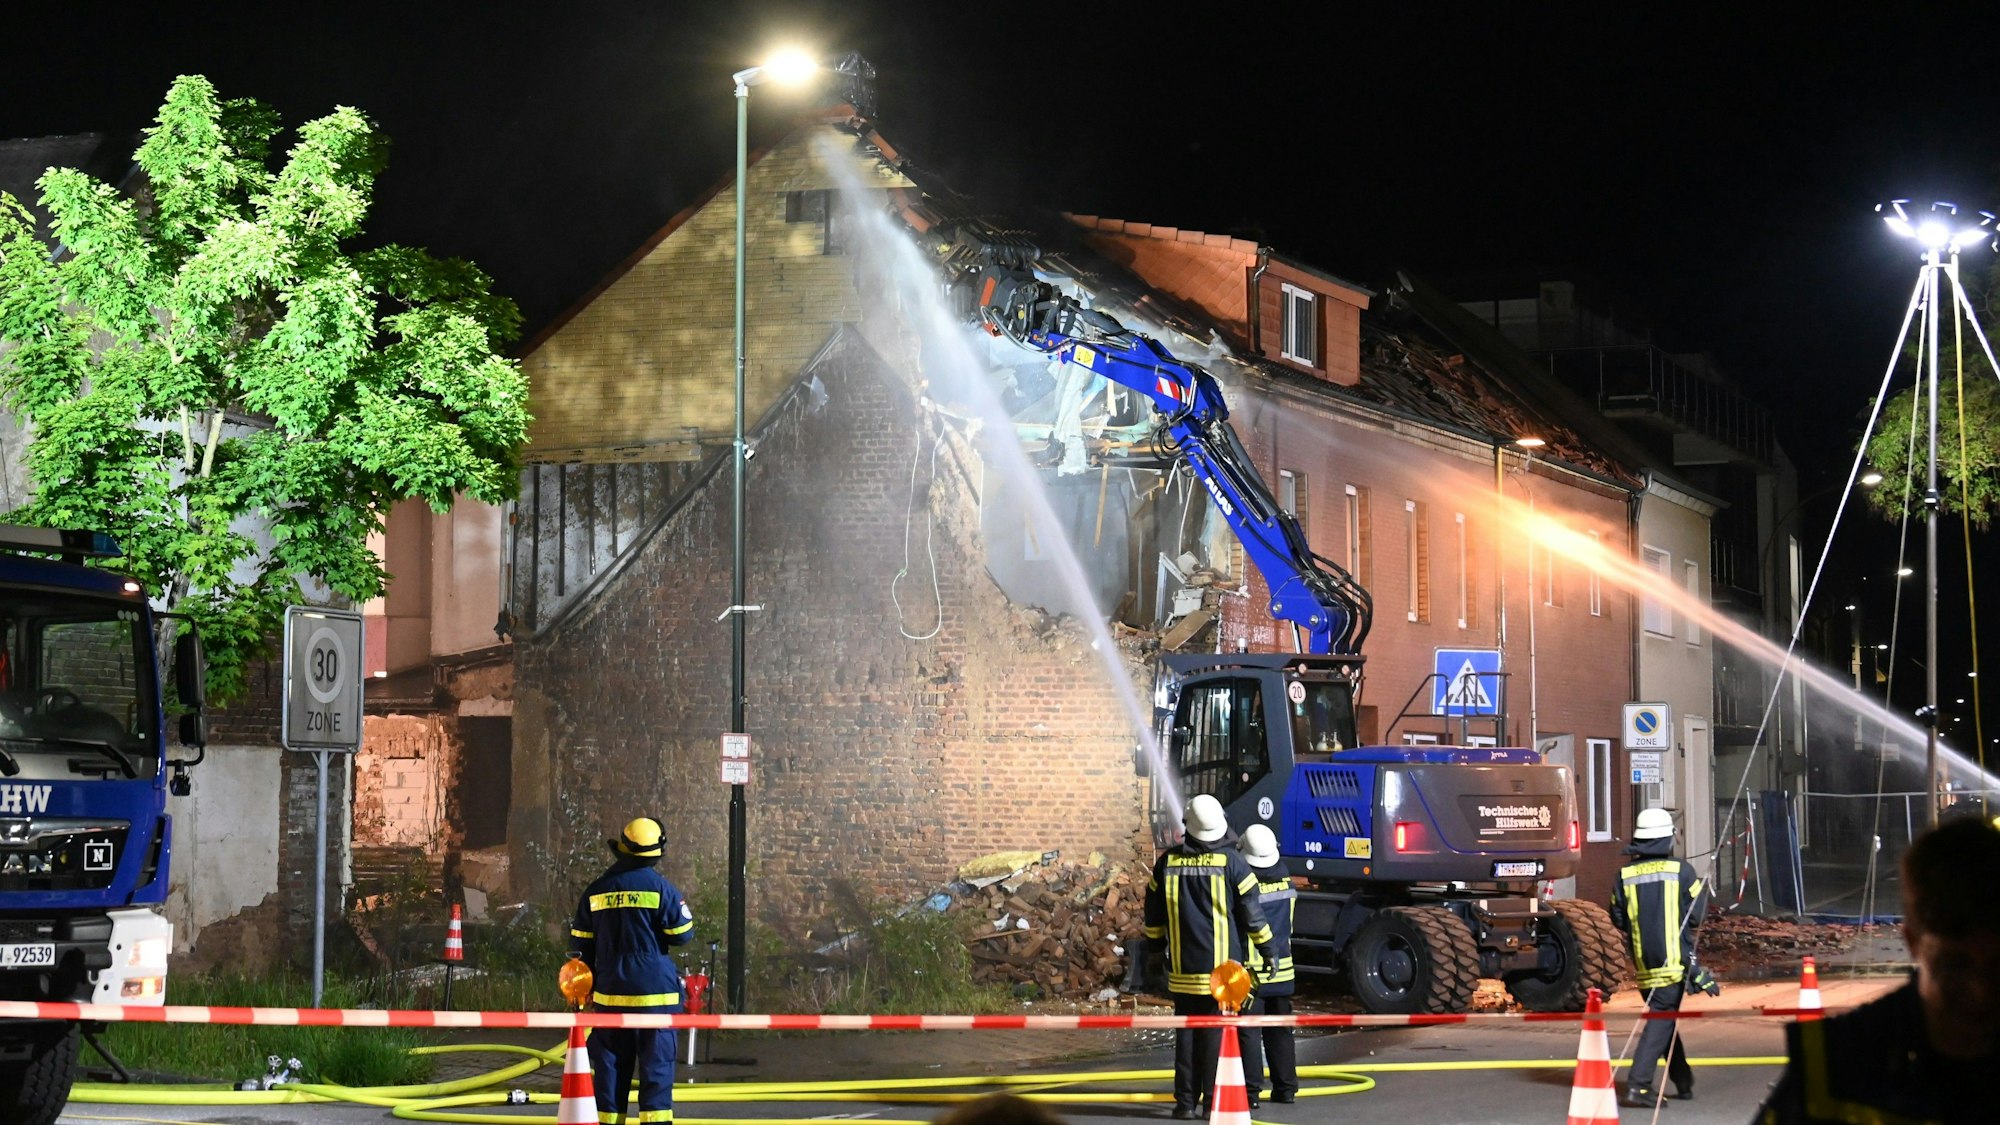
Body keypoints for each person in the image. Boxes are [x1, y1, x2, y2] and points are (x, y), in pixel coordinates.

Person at [1754, 816, 2000, 1123]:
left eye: (1998, 967)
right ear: (1912, 941)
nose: (1981, 992)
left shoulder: (1843, 1065)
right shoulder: (1837, 1067)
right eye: (1955, 965)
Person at [1144, 794, 1273, 1120]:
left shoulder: (1167, 863)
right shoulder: (1233, 864)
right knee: (1214, 1038)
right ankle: (1210, 1104)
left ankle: (1184, 1103)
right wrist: (1269, 951)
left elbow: (1153, 916)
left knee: (1186, 1037)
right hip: (1222, 976)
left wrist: (1155, 954)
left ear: (1188, 824)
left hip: (1182, 972)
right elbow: (1252, 916)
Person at [570, 816, 696, 1125]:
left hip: (611, 996)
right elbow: (682, 935)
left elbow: (579, 948)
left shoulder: (596, 891)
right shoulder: (661, 889)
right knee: (657, 1071)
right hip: (657, 997)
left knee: (610, 1073)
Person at [1608, 806, 1716, 1109]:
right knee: (1660, 1019)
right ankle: (1638, 1086)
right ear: (1666, 840)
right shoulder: (1682, 871)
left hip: (1644, 965)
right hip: (1673, 964)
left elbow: (1618, 918)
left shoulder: (1623, 875)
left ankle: (1683, 1080)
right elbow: (1696, 918)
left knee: (1663, 1017)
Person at [1237, 824, 1299, 1105]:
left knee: (1249, 1031)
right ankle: (1285, 1089)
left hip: (1254, 971)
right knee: (1280, 1030)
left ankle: (1250, 1093)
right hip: (1284, 970)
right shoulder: (1287, 879)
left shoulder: (1245, 884)